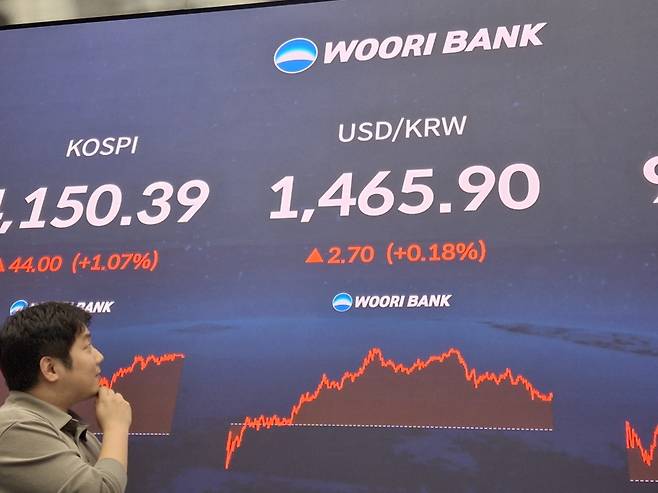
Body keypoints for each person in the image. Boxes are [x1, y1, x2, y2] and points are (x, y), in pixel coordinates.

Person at [0, 301, 131, 493]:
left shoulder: (71, 430)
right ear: (51, 368)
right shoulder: (16, 428)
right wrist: (116, 427)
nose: (99, 357)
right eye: (87, 347)